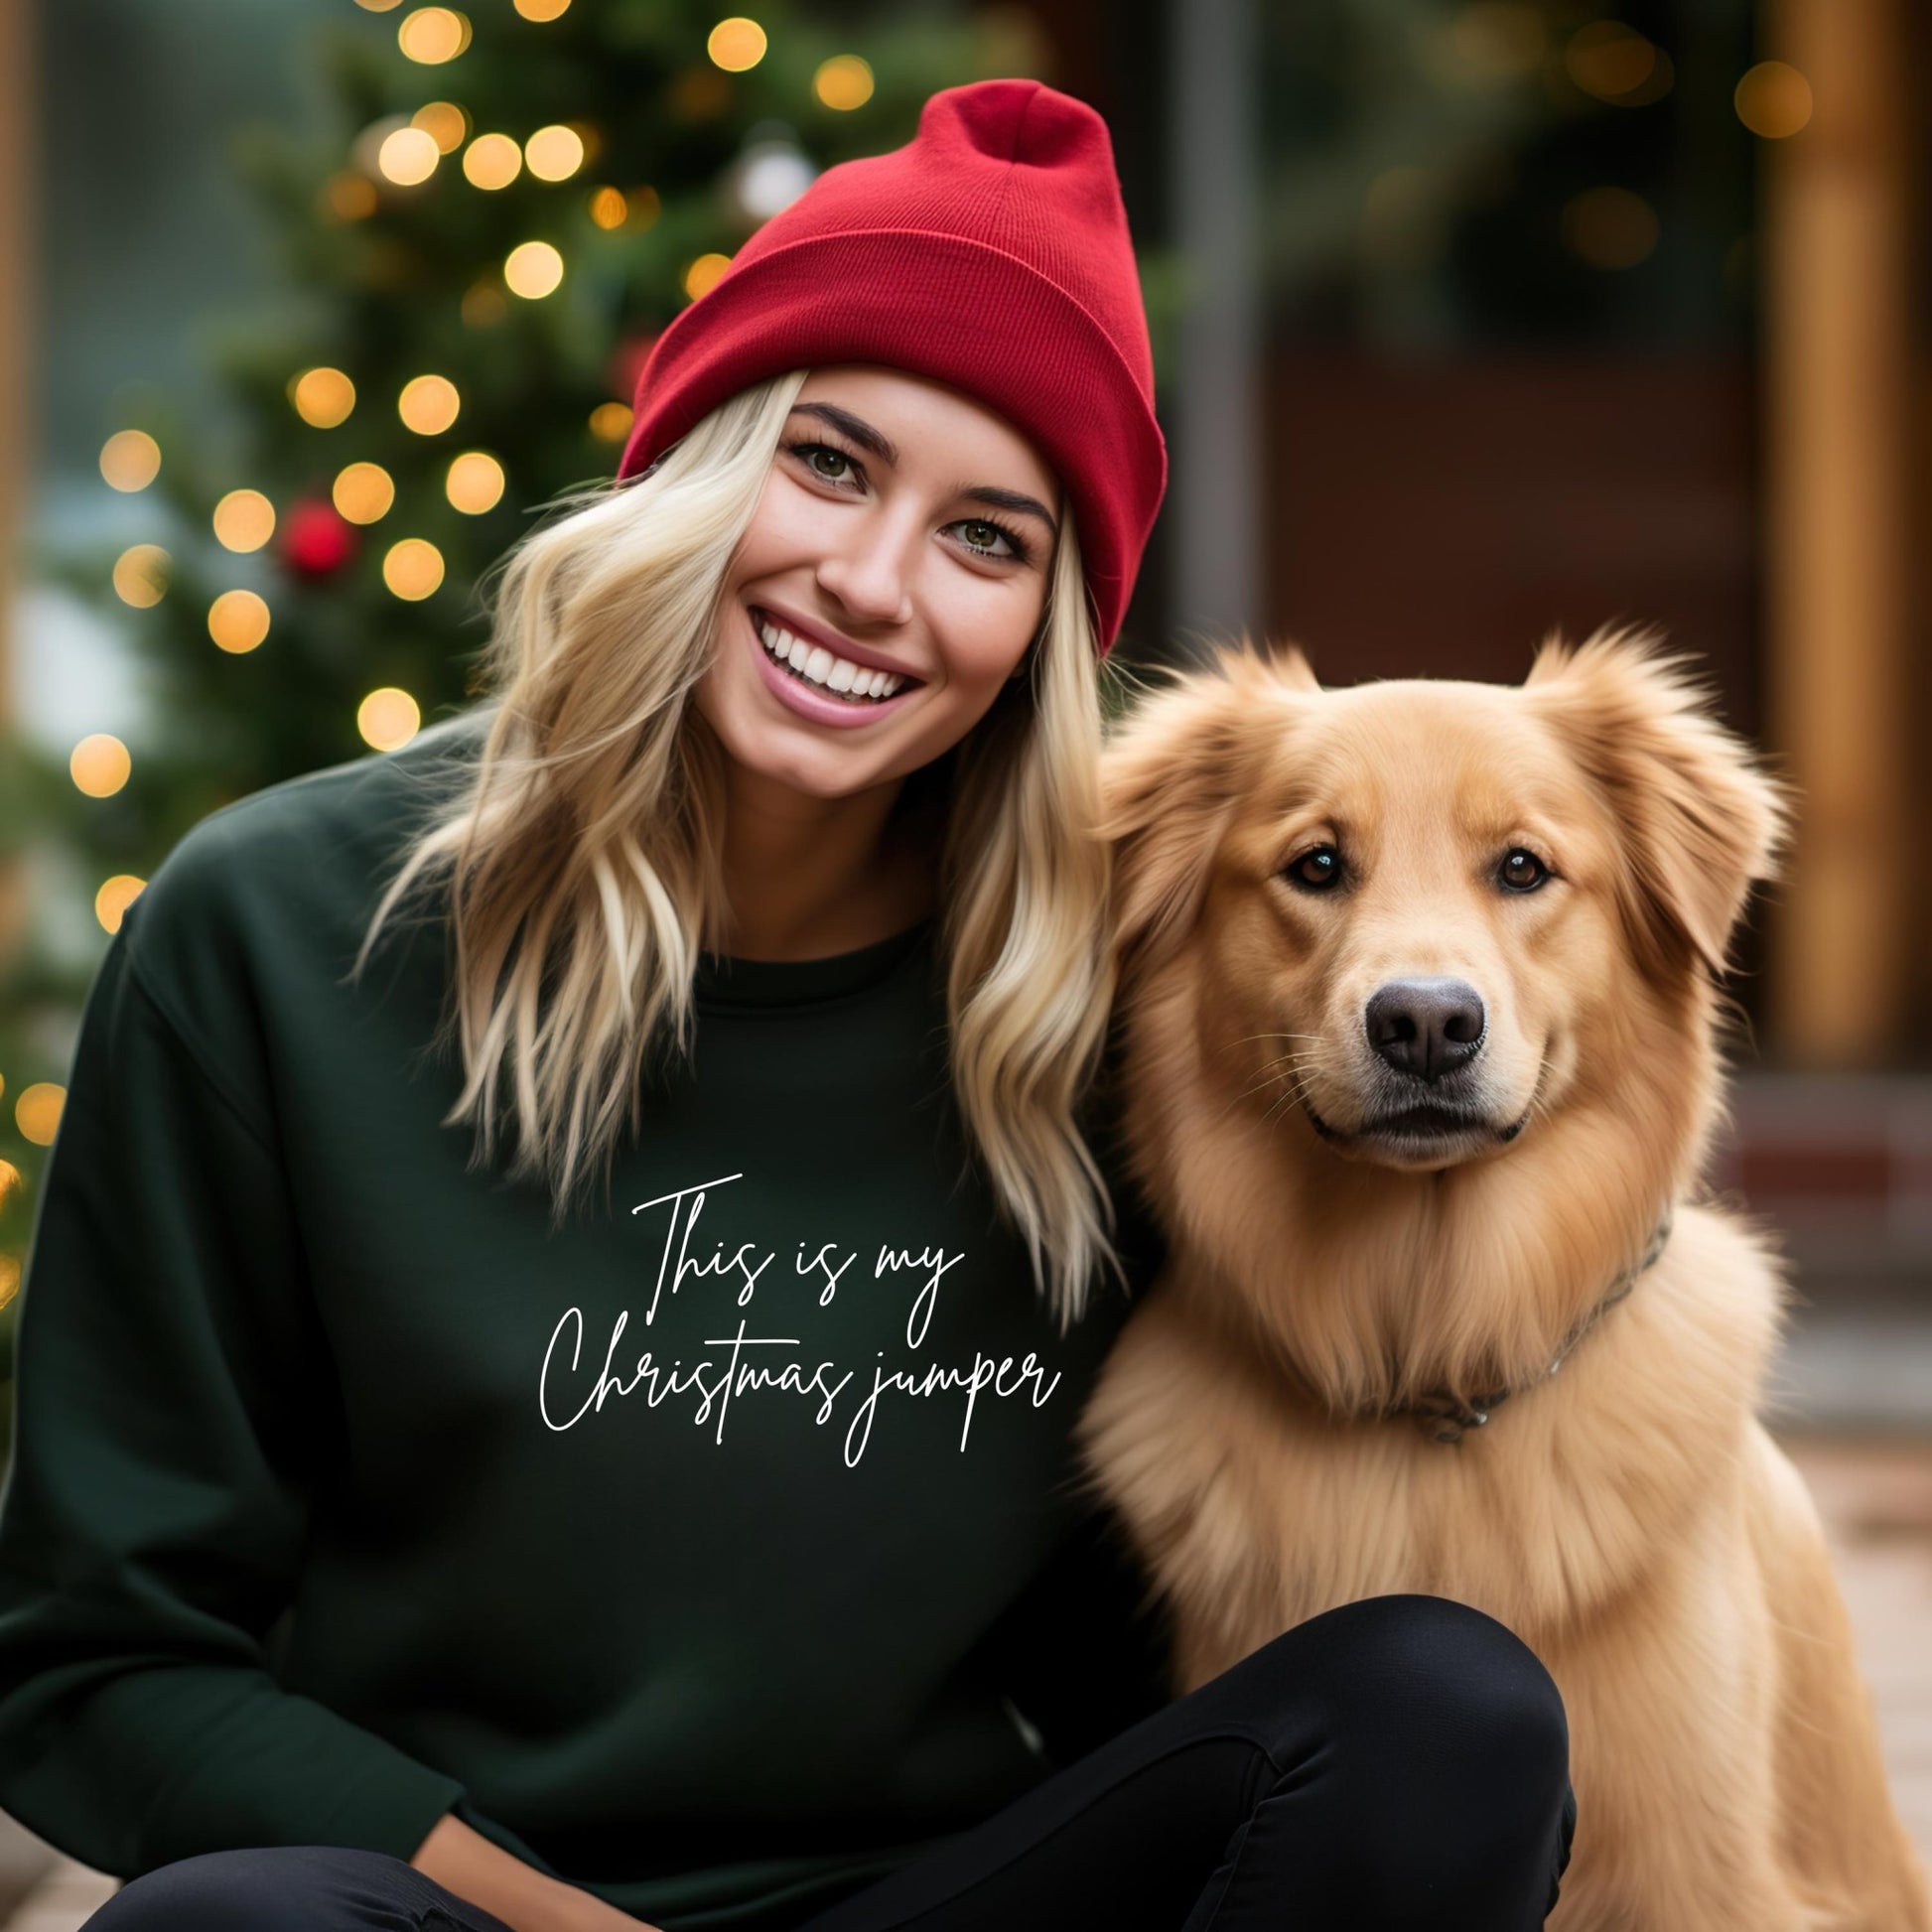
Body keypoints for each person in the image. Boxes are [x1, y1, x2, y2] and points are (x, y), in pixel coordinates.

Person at [0, 79, 1575, 1932]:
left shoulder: (1115, 1003)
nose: (872, 582)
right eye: (825, 461)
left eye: (989, 537)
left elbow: (1235, 1558)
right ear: (695, 461)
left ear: (1047, 630)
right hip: (460, 1918)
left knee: (1441, 1713)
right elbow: (96, 1663)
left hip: (940, 1902)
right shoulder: (275, 933)